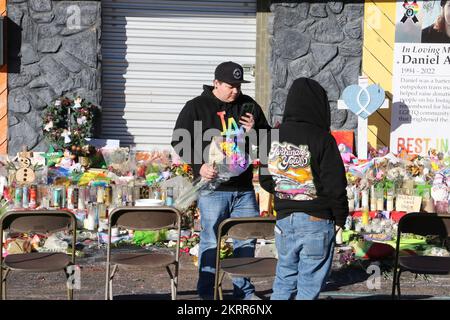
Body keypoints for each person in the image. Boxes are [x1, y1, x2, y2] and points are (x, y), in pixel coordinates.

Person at [171, 61, 270, 300]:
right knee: (210, 241)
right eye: (230, 85)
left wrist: (255, 132)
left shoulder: (249, 106)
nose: (235, 90)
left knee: (246, 239)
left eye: (238, 85)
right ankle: (207, 293)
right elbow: (179, 141)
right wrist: (198, 166)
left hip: (244, 188)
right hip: (213, 188)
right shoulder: (196, 107)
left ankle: (243, 292)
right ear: (216, 83)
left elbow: (267, 142)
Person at [259, 78, 348, 300]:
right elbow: (335, 185)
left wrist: (285, 190)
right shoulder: (323, 139)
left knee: (284, 279)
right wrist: (340, 218)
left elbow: (265, 180)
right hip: (317, 220)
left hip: (285, 220)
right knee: (309, 285)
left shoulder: (271, 136)